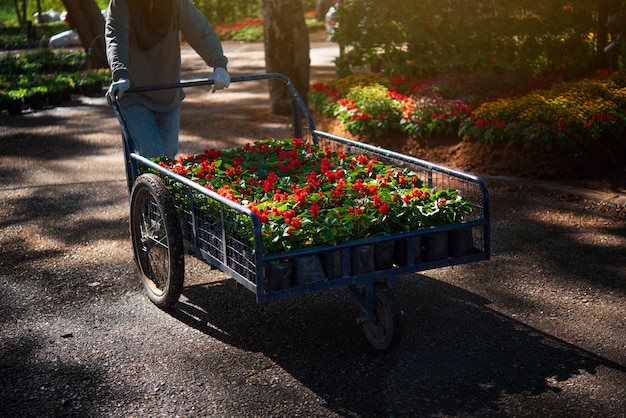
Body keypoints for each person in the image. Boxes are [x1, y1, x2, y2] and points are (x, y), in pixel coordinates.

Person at [105, 0, 230, 158]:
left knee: (169, 156)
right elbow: (116, 38)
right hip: (133, 91)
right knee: (153, 156)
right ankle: (144, 182)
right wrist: (120, 75)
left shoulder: (176, 3)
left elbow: (201, 32)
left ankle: (144, 182)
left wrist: (219, 65)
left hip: (168, 92)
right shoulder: (121, 3)